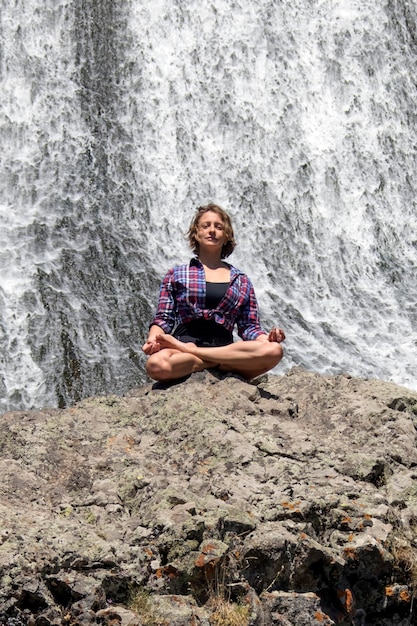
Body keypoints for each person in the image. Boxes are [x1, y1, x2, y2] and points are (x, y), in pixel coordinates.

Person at [142, 203, 285, 382]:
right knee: (156, 365)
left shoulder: (241, 280)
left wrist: (268, 338)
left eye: (219, 227)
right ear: (196, 233)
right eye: (206, 226)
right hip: (184, 344)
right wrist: (152, 340)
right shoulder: (176, 274)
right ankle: (213, 363)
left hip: (224, 348)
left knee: (274, 350)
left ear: (226, 236)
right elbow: (164, 319)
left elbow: (249, 327)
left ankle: (198, 355)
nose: (212, 231)